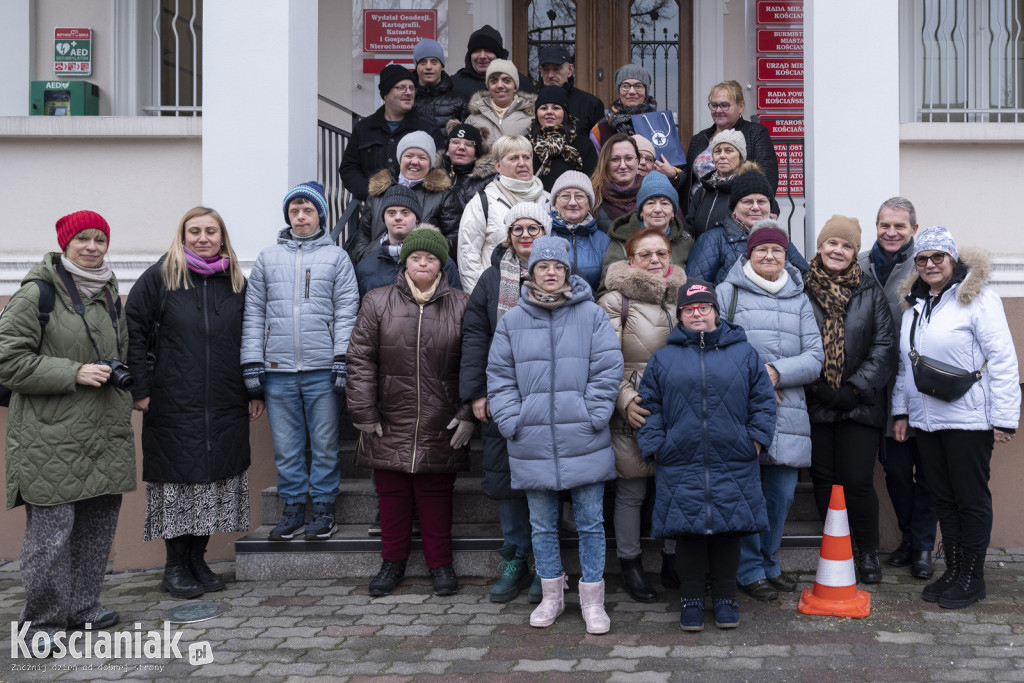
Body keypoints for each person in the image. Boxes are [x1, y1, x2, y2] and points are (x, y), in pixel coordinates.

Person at [0, 211, 136, 643]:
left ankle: (82, 607)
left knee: (97, 529)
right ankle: (42, 624)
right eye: (83, 239)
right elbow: (7, 361)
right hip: (50, 438)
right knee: (51, 539)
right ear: (65, 243)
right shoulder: (37, 293)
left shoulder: (110, 293)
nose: (93, 247)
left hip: (103, 433)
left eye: (100, 239)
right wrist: (73, 371)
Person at [487, 236, 623, 634]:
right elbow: (499, 376)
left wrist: (594, 414)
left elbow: (608, 367)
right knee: (542, 524)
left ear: (567, 272)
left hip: (583, 435)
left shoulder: (592, 315)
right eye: (543, 266)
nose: (550, 272)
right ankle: (551, 597)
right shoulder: (512, 320)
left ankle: (592, 601)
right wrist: (513, 420)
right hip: (531, 438)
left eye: (558, 267)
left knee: (591, 521)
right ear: (531, 272)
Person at [125, 207, 259, 599]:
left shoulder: (235, 280)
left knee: (213, 481)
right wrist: (140, 387)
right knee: (176, 484)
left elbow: (251, 337)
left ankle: (197, 559)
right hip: (172, 399)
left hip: (224, 398)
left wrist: (254, 390)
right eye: (195, 231)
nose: (203, 238)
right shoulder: (161, 276)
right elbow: (133, 329)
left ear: (222, 237)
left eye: (211, 232)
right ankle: (174, 566)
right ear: (183, 236)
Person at [892, 226, 1020, 609]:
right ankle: (953, 569)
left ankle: (971, 577)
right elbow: (905, 367)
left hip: (968, 420)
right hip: (927, 421)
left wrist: (1004, 417)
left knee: (970, 499)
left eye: (938, 257)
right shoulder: (914, 304)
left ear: (953, 260)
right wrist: (901, 411)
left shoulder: (979, 299)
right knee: (943, 499)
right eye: (923, 259)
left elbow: (1002, 359)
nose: (930, 264)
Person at [637, 279, 775, 632]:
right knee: (689, 533)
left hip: (734, 457)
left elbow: (762, 402)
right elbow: (649, 406)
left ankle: (726, 597)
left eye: (703, 307)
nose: (697, 314)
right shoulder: (663, 358)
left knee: (728, 531)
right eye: (688, 309)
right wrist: (656, 446)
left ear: (716, 310)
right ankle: (692, 599)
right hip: (679, 459)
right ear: (680, 315)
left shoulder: (744, 354)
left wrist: (755, 441)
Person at [347, 229, 474, 598]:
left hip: (441, 418)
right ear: (405, 262)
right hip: (389, 417)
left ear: (441, 265)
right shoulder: (376, 301)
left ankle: (441, 564)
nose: (423, 263)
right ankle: (392, 563)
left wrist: (468, 412)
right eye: (416, 257)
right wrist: (363, 410)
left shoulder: (462, 305)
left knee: (436, 495)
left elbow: (474, 362)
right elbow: (359, 359)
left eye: (430, 258)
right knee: (392, 494)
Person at [241, 182, 359, 541]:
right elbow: (253, 314)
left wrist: (341, 357)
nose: (301, 216)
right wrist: (252, 364)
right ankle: (293, 507)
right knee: (287, 445)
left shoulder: (337, 257)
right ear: (287, 216)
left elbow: (347, 311)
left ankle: (323, 508)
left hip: (322, 370)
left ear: (320, 215)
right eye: (295, 211)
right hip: (277, 372)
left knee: (324, 444)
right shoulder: (267, 258)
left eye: (308, 210)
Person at [714, 222, 824, 602]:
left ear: (785, 254)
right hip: (740, 409)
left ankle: (770, 561)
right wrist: (754, 380)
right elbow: (714, 350)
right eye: (761, 250)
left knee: (782, 495)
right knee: (746, 493)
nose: (769, 256)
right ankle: (747, 569)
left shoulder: (800, 299)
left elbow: (815, 357)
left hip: (788, 411)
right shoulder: (726, 294)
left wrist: (776, 373)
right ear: (749, 253)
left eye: (777, 250)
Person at [460, 203, 552, 604]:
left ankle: (546, 565)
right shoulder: (492, 279)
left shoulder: (561, 274)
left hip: (550, 395)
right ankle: (515, 560)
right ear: (508, 234)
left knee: (544, 481)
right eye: (519, 228)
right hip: (503, 394)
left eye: (535, 227)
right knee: (505, 479)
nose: (527, 234)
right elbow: (476, 336)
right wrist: (477, 392)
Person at [803, 215, 897, 584]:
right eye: (832, 244)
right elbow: (795, 341)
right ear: (820, 247)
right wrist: (819, 388)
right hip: (816, 401)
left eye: (846, 246)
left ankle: (867, 552)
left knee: (857, 481)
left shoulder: (869, 291)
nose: (837, 251)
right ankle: (834, 550)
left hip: (860, 405)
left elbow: (884, 347)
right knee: (824, 480)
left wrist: (854, 388)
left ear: (855, 253)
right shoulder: (801, 288)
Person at [597, 227, 687, 602]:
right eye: (645, 254)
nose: (654, 260)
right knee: (632, 491)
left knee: (672, 489)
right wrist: (624, 400)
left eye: (661, 253)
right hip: (632, 408)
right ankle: (630, 564)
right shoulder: (614, 302)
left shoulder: (683, 299)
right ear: (629, 260)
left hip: (676, 410)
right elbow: (603, 361)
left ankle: (672, 559)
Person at [857, 197, 937, 579]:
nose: (891, 233)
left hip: (923, 385)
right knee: (897, 471)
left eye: (900, 227)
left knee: (930, 471)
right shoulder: (859, 263)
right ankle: (909, 538)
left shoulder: (928, 266)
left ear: (914, 231)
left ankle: (922, 546)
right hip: (879, 386)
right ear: (876, 226)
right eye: (885, 225)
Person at [346, 131, 458, 264]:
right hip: (378, 266)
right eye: (409, 155)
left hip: (421, 271)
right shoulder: (379, 191)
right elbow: (363, 233)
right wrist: (366, 257)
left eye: (422, 158)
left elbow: (454, 236)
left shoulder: (443, 195)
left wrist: (427, 254)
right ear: (400, 159)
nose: (414, 162)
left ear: (430, 163)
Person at [458, 135, 550, 293]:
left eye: (526, 157)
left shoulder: (548, 200)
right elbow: (468, 255)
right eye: (514, 158)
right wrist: (480, 298)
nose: (522, 163)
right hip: (496, 295)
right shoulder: (483, 201)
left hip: (544, 295)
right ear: (498, 166)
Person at [339, 64, 444, 202]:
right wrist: (371, 194)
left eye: (411, 88)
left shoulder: (428, 129)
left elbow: (440, 169)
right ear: (386, 94)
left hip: (418, 209)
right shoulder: (364, 128)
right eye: (401, 87)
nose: (408, 92)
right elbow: (349, 168)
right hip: (374, 212)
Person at [686, 173, 808, 286]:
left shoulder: (781, 239)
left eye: (761, 201)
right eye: (747, 202)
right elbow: (695, 287)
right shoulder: (713, 239)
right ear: (734, 207)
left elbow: (806, 279)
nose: (755, 207)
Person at [599, 171, 694, 297]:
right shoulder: (622, 239)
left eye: (665, 203)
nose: (658, 209)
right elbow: (606, 290)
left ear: (673, 212)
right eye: (650, 203)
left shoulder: (686, 242)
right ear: (641, 211)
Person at [354, 188, 461, 298]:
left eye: (405, 213)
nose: (398, 217)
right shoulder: (366, 267)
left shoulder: (441, 262)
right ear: (384, 218)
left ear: (417, 218)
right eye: (391, 213)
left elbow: (456, 305)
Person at [686, 80, 778, 196]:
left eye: (725, 105)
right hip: (699, 210)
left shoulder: (756, 133)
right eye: (714, 105)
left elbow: (768, 177)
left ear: (740, 106)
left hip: (736, 209)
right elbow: (688, 183)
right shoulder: (699, 139)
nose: (718, 110)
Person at [686, 130, 756, 240]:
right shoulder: (704, 190)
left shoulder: (748, 190)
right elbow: (689, 229)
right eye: (717, 151)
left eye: (729, 151)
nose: (722, 156)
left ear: (741, 158)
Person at [548, 170, 609, 292]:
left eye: (579, 196)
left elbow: (607, 285)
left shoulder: (604, 241)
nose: (572, 202)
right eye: (565, 196)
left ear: (589, 203)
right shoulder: (544, 234)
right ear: (555, 202)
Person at [529, 85, 598, 191]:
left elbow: (592, 183)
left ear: (565, 113)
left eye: (556, 108)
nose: (549, 112)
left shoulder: (583, 145)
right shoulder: (525, 144)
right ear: (537, 113)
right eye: (543, 108)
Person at [450, 24, 535, 102]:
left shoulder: (521, 83)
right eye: (476, 51)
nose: (482, 56)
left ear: (498, 55)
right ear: (469, 55)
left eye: (488, 51)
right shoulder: (454, 85)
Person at [464, 60, 537, 147]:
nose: (500, 85)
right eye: (494, 81)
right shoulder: (473, 119)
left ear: (515, 86)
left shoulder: (531, 117)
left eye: (506, 80)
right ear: (488, 86)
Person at [536, 44, 605, 133]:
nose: (550, 75)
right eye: (546, 70)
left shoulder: (590, 104)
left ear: (570, 70)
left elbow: (601, 144)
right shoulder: (531, 103)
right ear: (540, 70)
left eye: (556, 69)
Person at [590, 65, 657, 150]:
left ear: (645, 90)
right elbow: (597, 162)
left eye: (638, 86)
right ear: (619, 90)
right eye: (625, 86)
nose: (632, 91)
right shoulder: (601, 128)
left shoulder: (660, 123)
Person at [411, 38, 468, 131]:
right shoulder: (405, 100)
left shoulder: (460, 103)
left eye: (434, 62)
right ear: (416, 66)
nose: (428, 67)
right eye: (423, 62)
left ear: (442, 66)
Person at [440, 122, 496, 215]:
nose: (461, 147)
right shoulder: (433, 175)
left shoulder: (489, 181)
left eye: (469, 144)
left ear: (476, 155)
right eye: (456, 142)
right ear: (447, 151)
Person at [591, 132, 640, 233]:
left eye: (629, 158)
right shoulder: (593, 196)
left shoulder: (652, 192)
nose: (622, 165)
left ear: (637, 161)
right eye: (615, 159)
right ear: (605, 163)